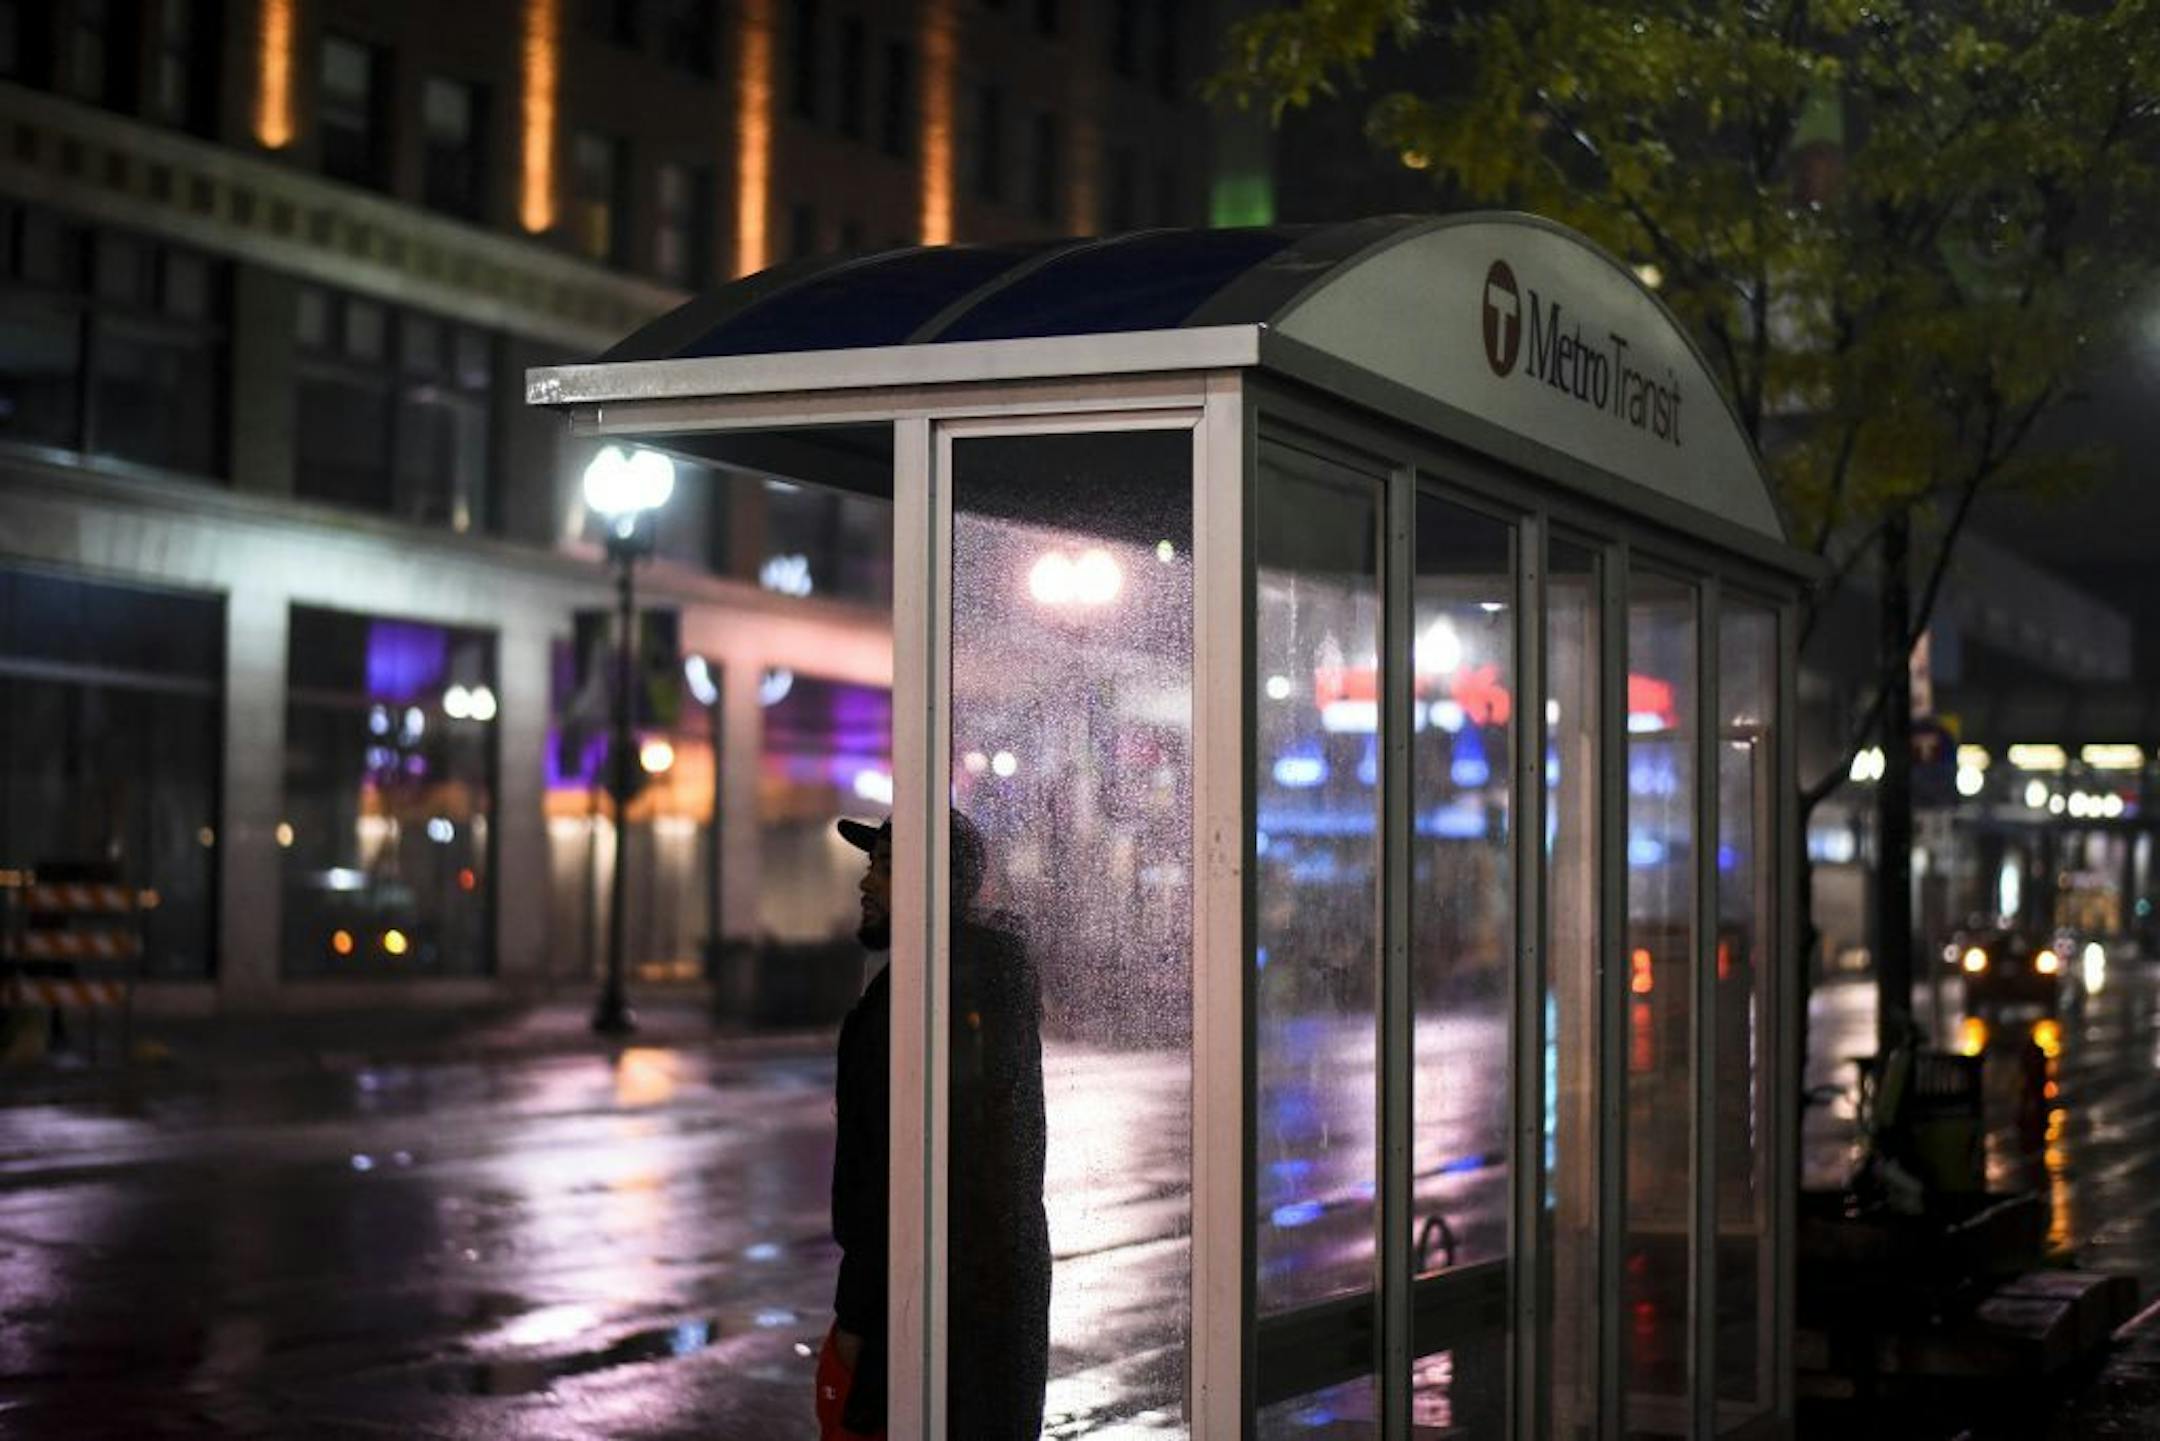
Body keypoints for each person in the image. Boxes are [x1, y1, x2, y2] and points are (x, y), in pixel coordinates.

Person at [818, 814, 1050, 1441]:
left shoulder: (922, 1000)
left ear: (934, 885)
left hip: (927, 1317)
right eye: (872, 864)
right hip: (988, 1311)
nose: (867, 883)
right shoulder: (984, 978)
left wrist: (859, 1320)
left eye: (887, 867)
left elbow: (890, 1178)